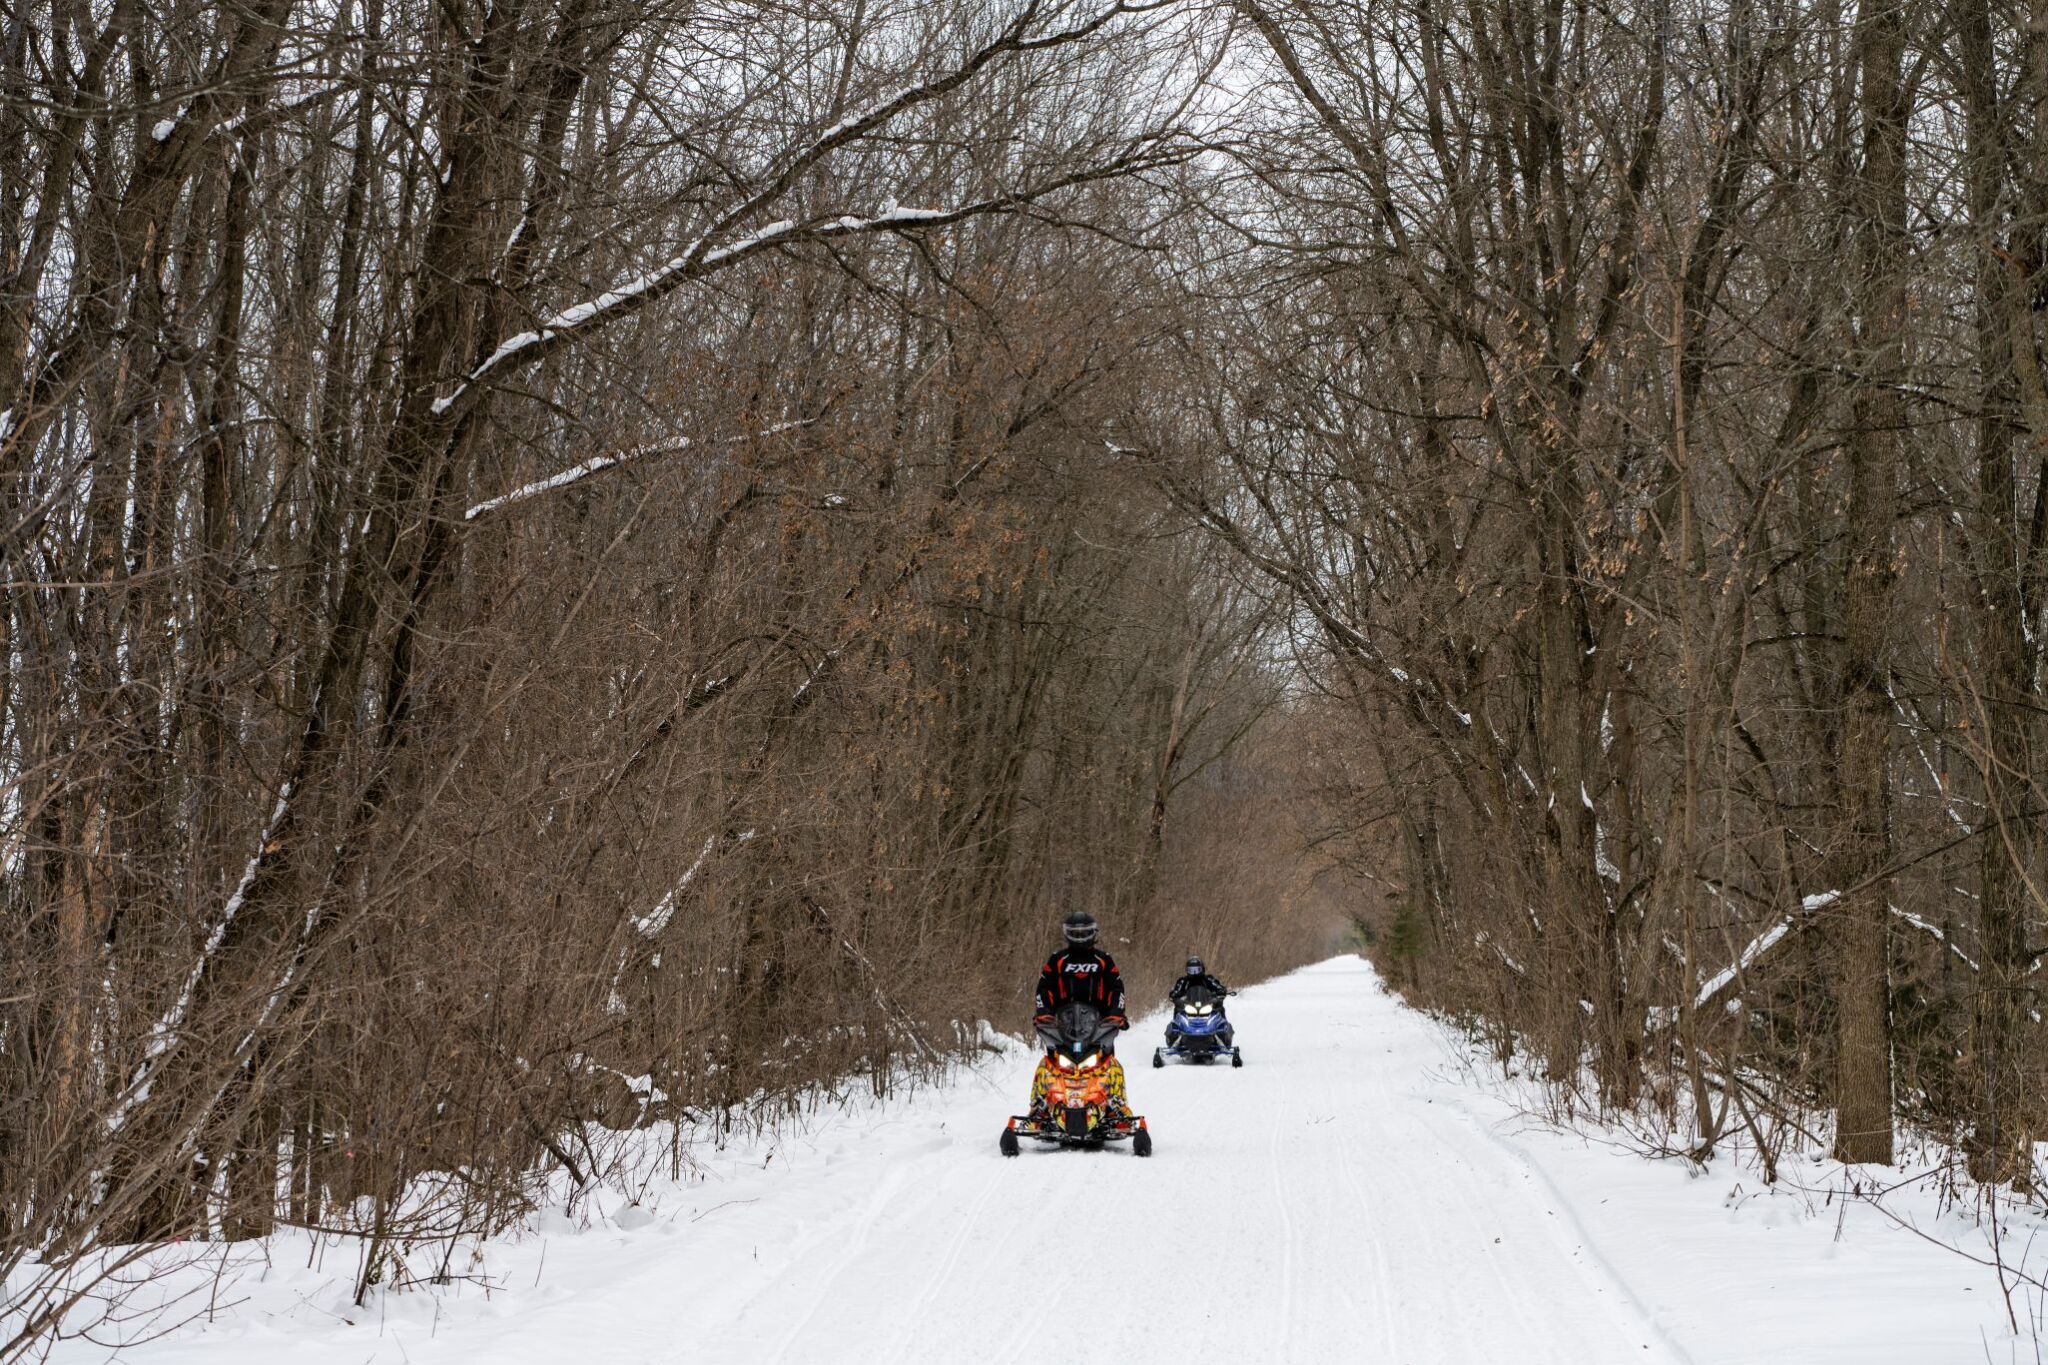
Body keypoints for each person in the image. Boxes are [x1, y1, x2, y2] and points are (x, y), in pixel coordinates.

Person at [1029, 910, 1128, 1118]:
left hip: (1099, 1025)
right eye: (1076, 933)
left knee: (1109, 1064)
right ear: (1068, 934)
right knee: (1050, 1065)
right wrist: (1043, 1013)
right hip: (1062, 1024)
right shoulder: (1057, 959)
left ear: (1093, 933)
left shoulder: (1103, 960)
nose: (1081, 937)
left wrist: (1116, 1014)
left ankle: (1115, 1106)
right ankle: (1040, 1108)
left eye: (1085, 933)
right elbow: (1043, 989)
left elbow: (1117, 988)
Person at [1166, 955, 1232, 1049]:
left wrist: (1221, 992)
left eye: (1196, 970)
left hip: (1207, 1005)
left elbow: (1217, 986)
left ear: (1202, 969)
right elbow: (1178, 990)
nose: (1194, 973)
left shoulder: (1208, 979)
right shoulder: (1183, 981)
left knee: (1219, 1009)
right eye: (1191, 970)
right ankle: (1176, 1039)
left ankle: (1223, 1037)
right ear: (1186, 970)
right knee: (1178, 1011)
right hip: (1188, 1007)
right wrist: (1174, 995)